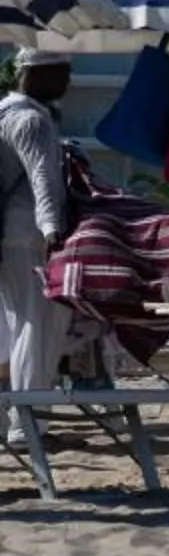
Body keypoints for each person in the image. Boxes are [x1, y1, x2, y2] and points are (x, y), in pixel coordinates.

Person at [0, 54, 74, 390]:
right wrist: (52, 231)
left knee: (11, 326)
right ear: (38, 73)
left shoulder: (4, 113)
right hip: (29, 234)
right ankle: (27, 421)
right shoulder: (32, 121)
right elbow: (42, 178)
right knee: (37, 323)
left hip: (7, 235)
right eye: (62, 73)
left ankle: (8, 417)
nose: (67, 82)